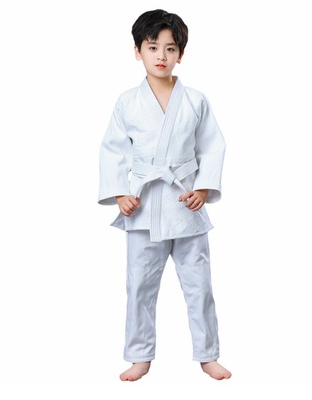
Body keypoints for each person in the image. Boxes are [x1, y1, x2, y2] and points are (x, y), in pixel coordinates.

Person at [98, 9, 231, 381]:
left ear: (180, 55)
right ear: (137, 51)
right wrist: (119, 193)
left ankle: (208, 354)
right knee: (139, 287)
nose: (161, 56)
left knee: (199, 286)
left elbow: (212, 147)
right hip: (142, 209)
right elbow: (112, 150)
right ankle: (140, 356)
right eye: (152, 47)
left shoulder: (195, 101)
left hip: (185, 204)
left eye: (170, 48)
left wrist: (203, 188)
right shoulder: (127, 102)